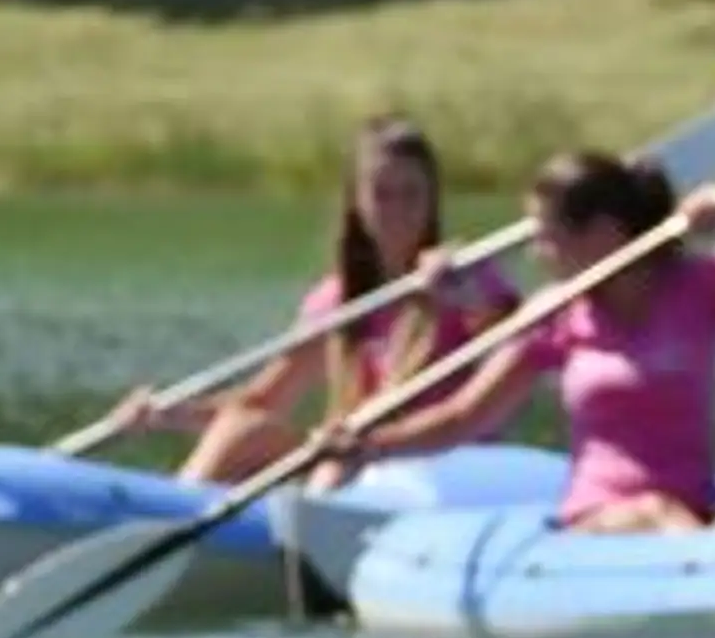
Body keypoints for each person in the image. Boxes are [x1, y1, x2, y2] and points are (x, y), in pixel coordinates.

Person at [352, 147, 715, 533]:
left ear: (601, 234)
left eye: (545, 236)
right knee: (655, 513)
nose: (537, 254)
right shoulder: (554, 314)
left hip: (701, 521)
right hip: (599, 523)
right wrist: (365, 444)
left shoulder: (702, 284)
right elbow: (463, 417)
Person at [105, 116, 516, 486]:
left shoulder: (466, 274)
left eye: (413, 195)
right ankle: (171, 523)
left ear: (432, 201)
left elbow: (515, 331)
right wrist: (168, 414)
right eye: (383, 194)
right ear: (358, 202)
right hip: (354, 464)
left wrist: (466, 292)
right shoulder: (338, 298)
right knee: (243, 429)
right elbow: (263, 401)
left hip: (440, 471)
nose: (399, 211)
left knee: (309, 453)